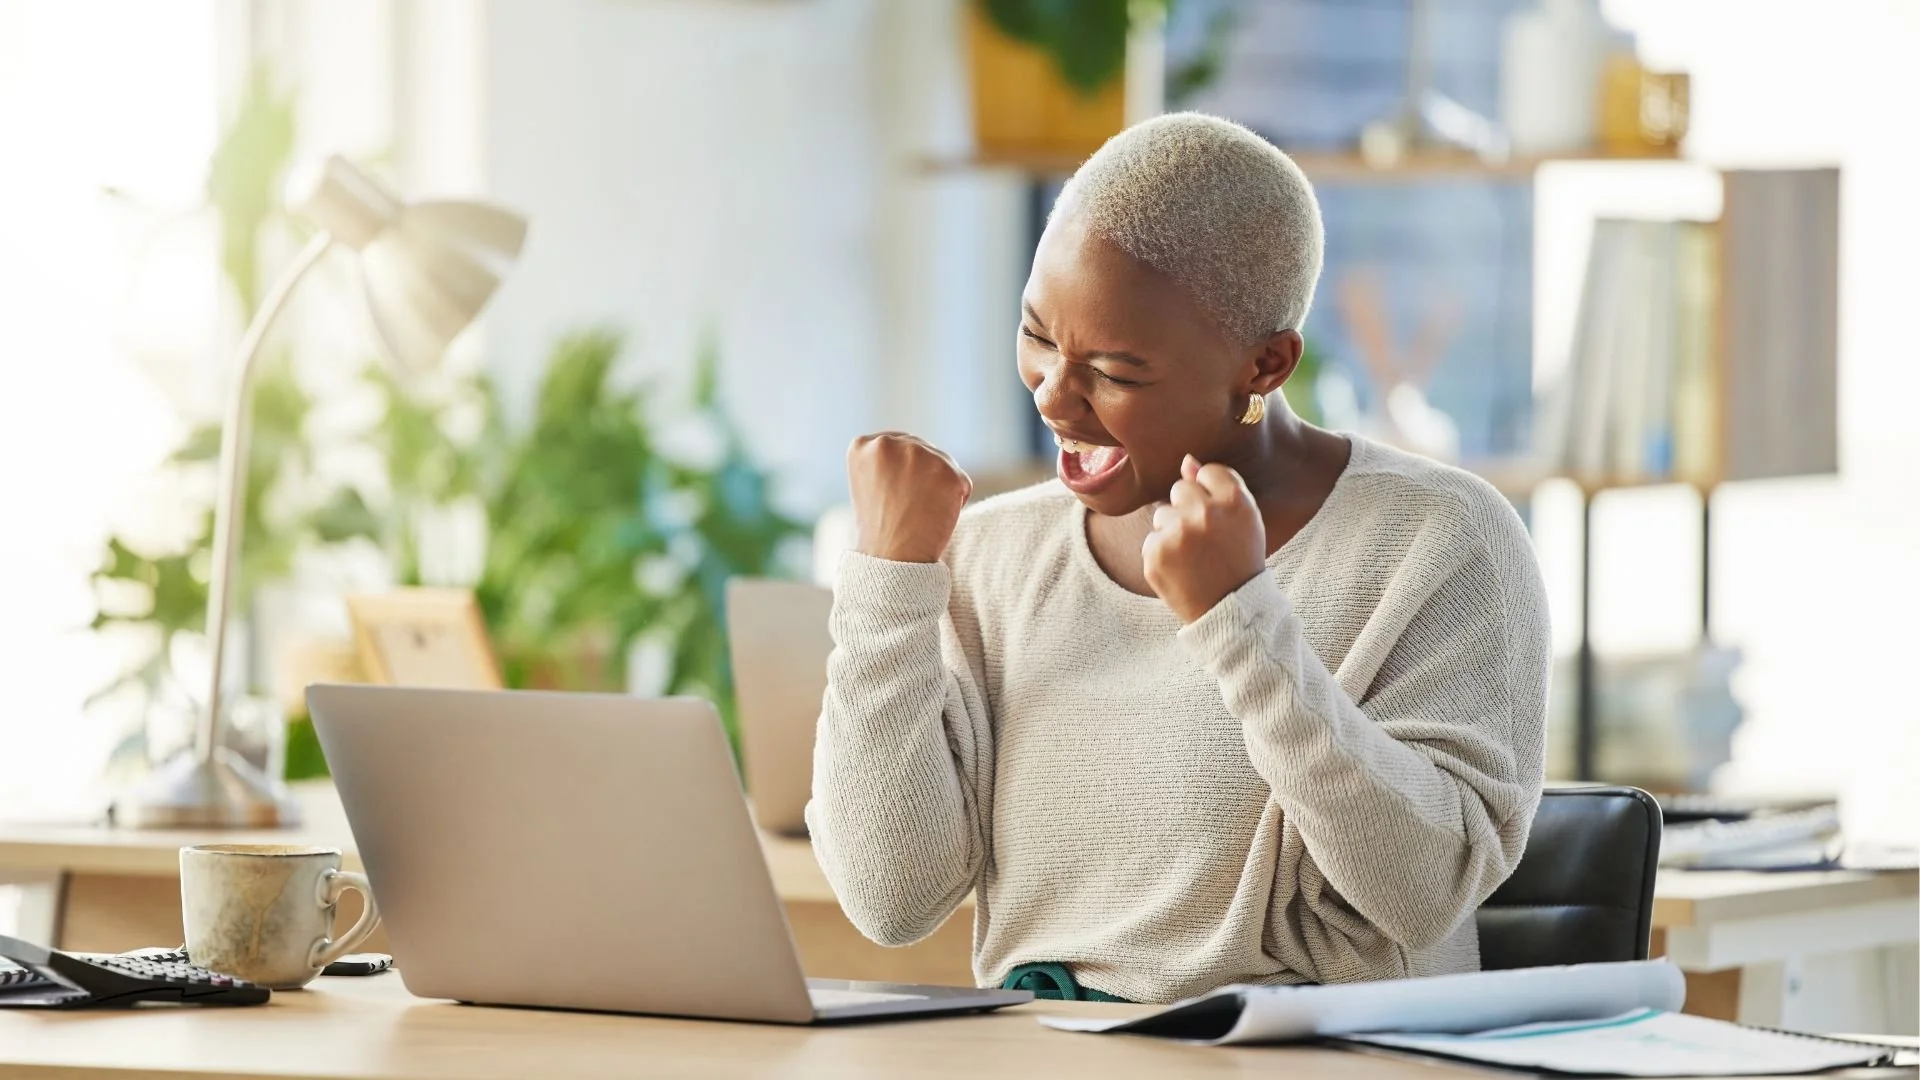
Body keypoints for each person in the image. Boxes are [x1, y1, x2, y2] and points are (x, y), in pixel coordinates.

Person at [807, 113, 1550, 1005]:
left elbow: (1422, 893)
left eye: (1116, 372)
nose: (1053, 396)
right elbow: (893, 901)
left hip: (1305, 1063)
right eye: (1038, 336)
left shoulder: (1440, 539)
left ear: (1265, 366)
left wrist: (1240, 620)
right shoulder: (997, 552)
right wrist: (890, 587)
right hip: (1039, 1059)